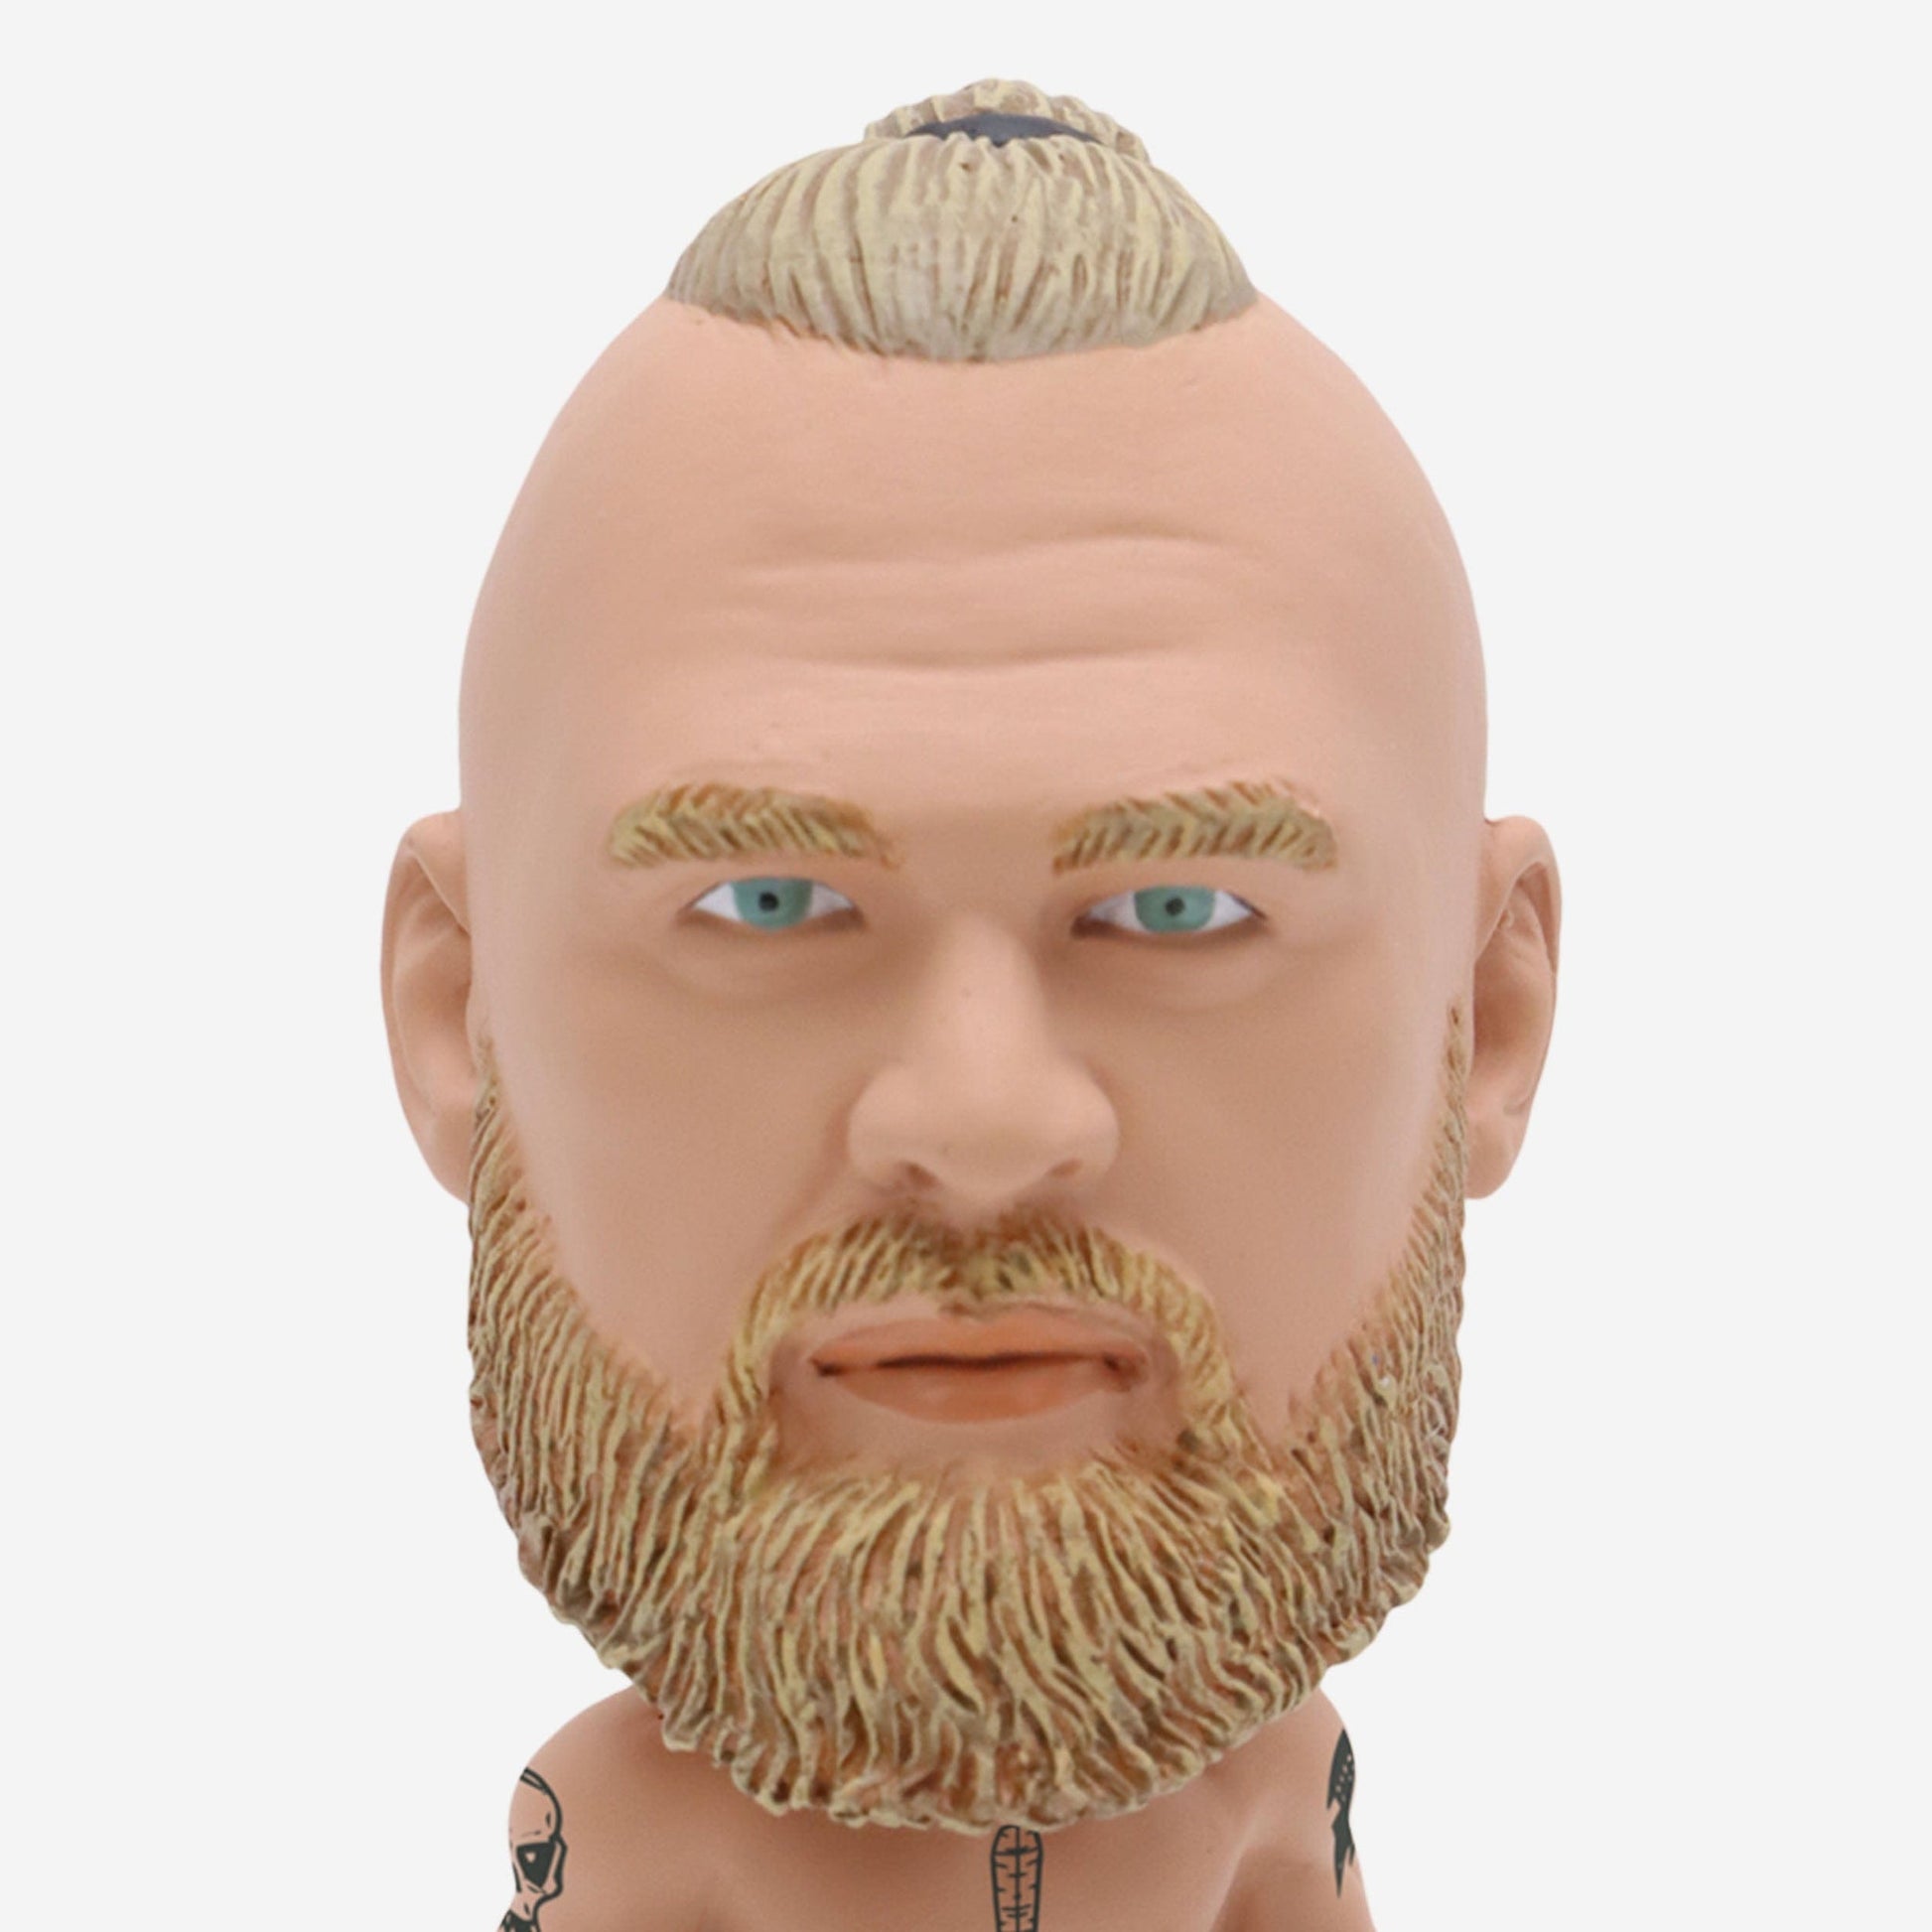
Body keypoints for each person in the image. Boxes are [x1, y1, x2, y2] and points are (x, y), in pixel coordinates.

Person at [381, 78, 1561, 1932]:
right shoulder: (613, 1825)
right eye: (764, 902)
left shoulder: (1278, 1782)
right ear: (459, 1023)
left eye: (1181, 908)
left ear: (1484, 1022)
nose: (985, 1125)